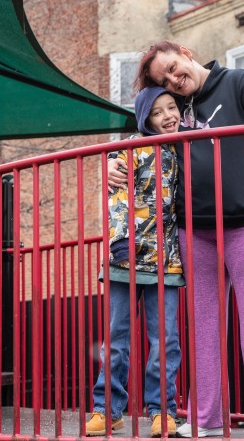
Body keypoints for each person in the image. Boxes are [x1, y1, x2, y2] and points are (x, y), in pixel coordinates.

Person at [108, 41, 244, 439]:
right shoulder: (175, 110)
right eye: (164, 79)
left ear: (185, 54)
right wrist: (115, 166)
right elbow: (142, 146)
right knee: (203, 326)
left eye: (173, 68)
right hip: (196, 230)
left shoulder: (239, 82)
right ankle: (207, 418)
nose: (173, 79)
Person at [86, 86, 186, 438]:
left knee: (165, 340)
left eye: (172, 107)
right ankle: (107, 409)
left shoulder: (185, 149)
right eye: (158, 112)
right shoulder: (133, 148)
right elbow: (118, 197)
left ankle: (162, 411)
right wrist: (120, 242)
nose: (168, 116)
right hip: (125, 259)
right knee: (116, 338)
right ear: (146, 119)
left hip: (166, 263)